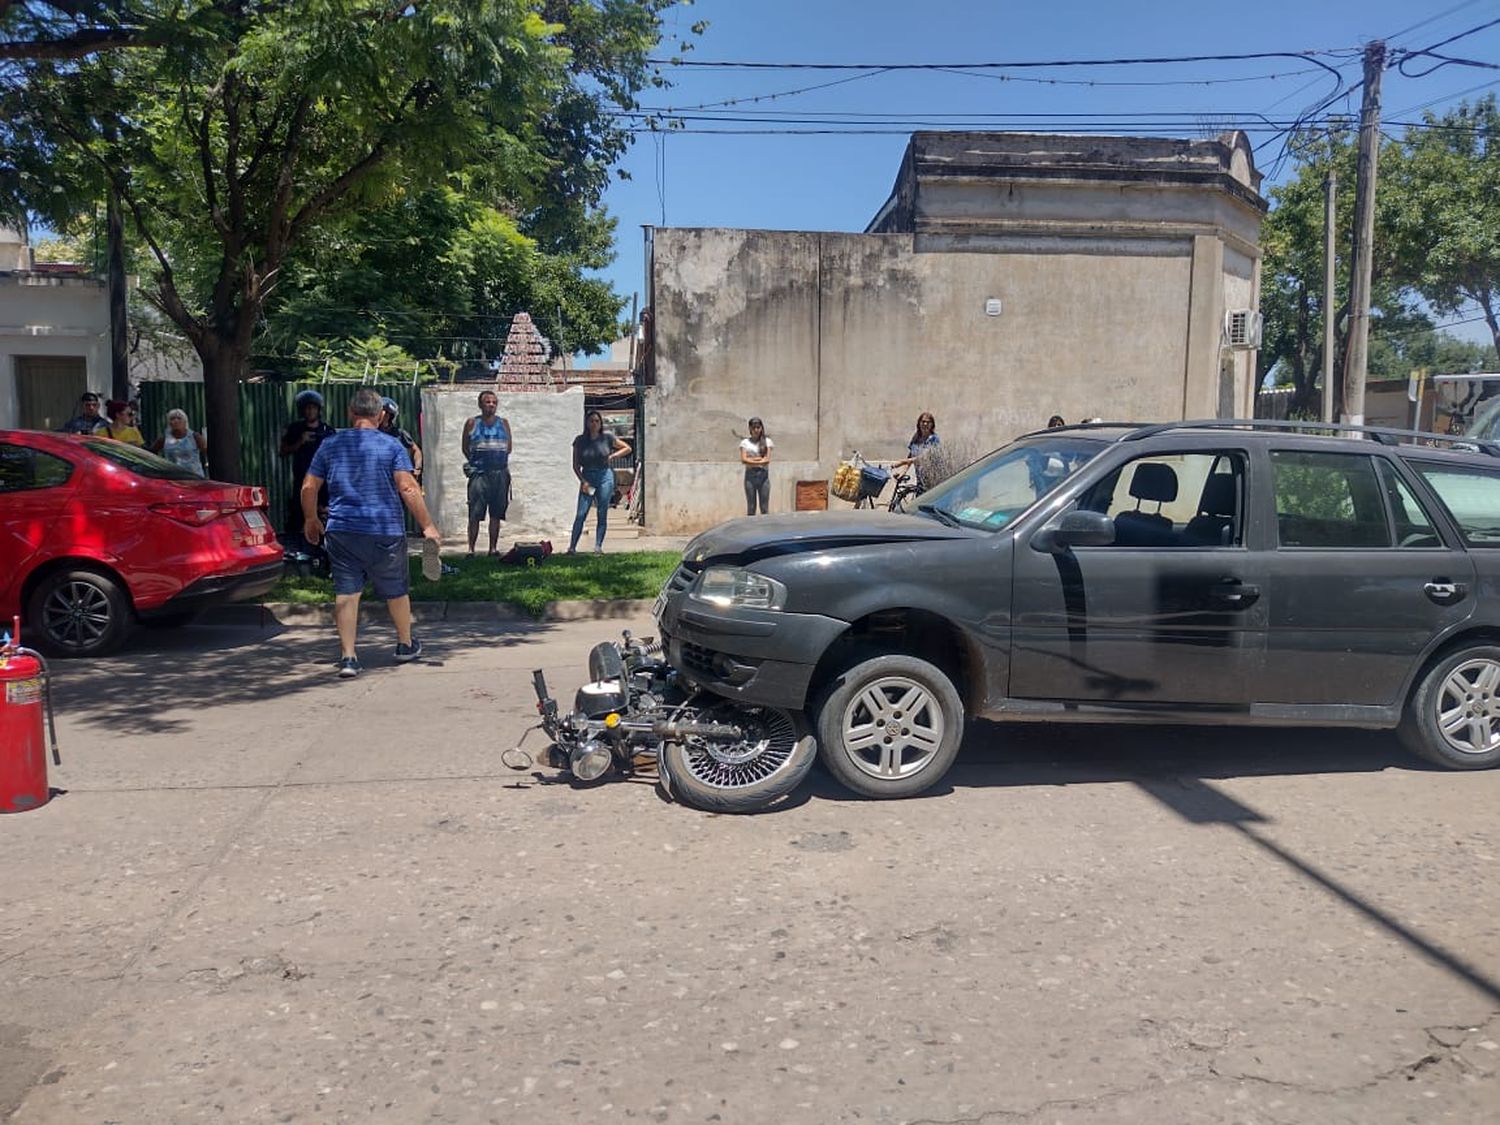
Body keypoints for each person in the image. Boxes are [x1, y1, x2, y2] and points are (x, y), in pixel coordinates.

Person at [301, 388, 441, 679]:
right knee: (396, 591)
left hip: (342, 531)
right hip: (385, 530)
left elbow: (309, 487)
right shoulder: (392, 447)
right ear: (379, 416)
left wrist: (312, 520)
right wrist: (427, 526)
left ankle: (349, 658)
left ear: (351, 413)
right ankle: (405, 644)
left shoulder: (330, 444)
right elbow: (407, 488)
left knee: (347, 593)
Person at [568, 409, 632, 553]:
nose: (594, 424)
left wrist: (613, 456)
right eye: (591, 421)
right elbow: (575, 465)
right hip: (588, 478)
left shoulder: (607, 438)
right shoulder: (580, 440)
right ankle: (572, 547)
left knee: (602, 512)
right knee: (581, 513)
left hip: (605, 477)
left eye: (597, 421)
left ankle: (598, 546)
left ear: (601, 423)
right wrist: (583, 481)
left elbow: (627, 448)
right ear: (586, 423)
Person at [279, 389, 336, 543]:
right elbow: (283, 451)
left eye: (313, 408)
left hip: (324, 484)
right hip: (301, 482)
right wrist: (300, 442)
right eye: (307, 408)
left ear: (319, 410)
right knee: (298, 516)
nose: (310, 411)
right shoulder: (295, 429)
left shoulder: (327, 431)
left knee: (325, 516)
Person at [461, 390, 512, 556]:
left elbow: (509, 447)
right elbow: (465, 447)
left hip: (499, 473)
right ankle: (471, 549)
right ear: (480, 404)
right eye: (487, 402)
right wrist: (477, 461)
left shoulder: (503, 423)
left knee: (496, 513)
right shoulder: (471, 423)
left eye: (494, 402)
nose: (491, 405)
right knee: (475, 512)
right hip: (479, 474)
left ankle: (493, 548)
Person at [150, 409, 207, 476]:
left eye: (179, 418)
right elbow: (151, 452)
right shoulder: (164, 438)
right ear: (169, 423)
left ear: (185, 422)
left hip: (194, 476)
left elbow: (206, 450)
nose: (176, 421)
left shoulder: (195, 436)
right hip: (174, 477)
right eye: (172, 419)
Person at [891, 412, 940, 491]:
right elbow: (911, 455)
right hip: (920, 478)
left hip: (932, 478)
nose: (925, 424)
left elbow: (924, 457)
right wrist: (903, 471)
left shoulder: (934, 439)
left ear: (932, 425)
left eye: (928, 422)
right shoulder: (916, 437)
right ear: (919, 423)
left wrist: (902, 461)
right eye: (923, 421)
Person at [378, 397, 422, 482]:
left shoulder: (399, 434)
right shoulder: (372, 434)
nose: (384, 417)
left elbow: (416, 450)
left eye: (387, 414)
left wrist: (417, 468)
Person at [738, 416, 773, 515]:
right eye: (754, 428)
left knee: (764, 507)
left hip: (763, 476)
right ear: (750, 429)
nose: (756, 430)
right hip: (750, 476)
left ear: (761, 428)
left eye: (758, 427)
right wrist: (759, 460)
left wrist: (751, 460)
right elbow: (744, 459)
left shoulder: (767, 442)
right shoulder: (745, 443)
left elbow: (767, 460)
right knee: (751, 507)